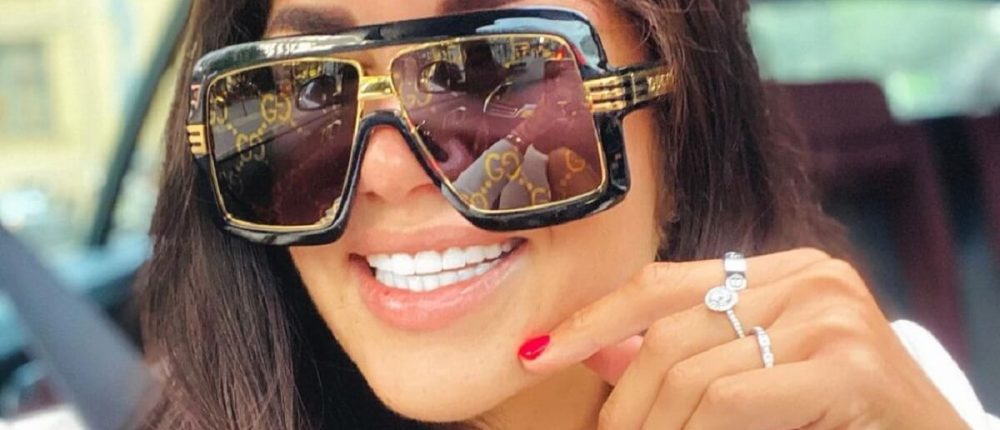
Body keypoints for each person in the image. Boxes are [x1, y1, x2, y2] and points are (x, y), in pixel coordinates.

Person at [137, 1, 1000, 428]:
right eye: (303, 92)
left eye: (499, 73)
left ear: (681, 123)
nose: (387, 172)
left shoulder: (874, 391)